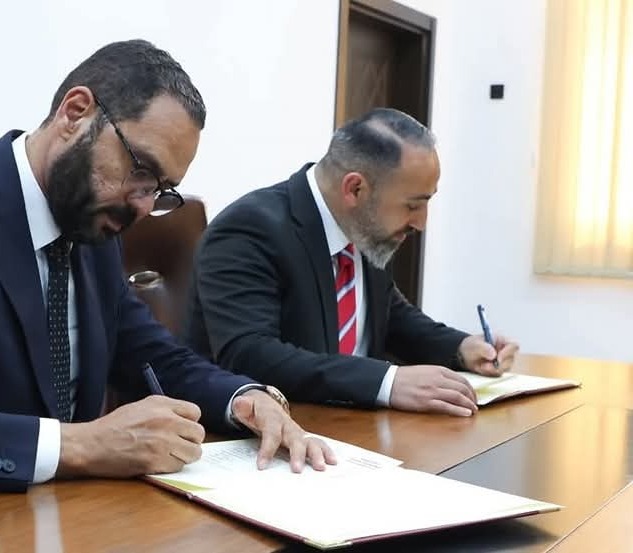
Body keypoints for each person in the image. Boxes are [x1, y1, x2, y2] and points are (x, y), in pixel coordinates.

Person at [0, 39, 334, 513]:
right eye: (140, 171)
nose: (143, 206)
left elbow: (153, 356)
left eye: (159, 190)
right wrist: (80, 445)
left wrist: (245, 398)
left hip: (47, 518)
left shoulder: (92, 229)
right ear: (76, 112)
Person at [183, 108, 520, 417]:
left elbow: (390, 316)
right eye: (412, 205)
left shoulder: (364, 225)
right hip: (272, 431)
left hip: (352, 426)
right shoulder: (250, 229)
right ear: (356, 189)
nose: (421, 223)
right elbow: (250, 355)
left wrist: (461, 347)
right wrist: (387, 382)